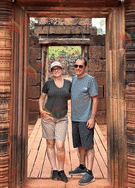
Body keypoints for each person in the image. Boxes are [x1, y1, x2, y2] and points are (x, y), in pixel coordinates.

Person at [39, 61, 72, 182]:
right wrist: (41, 110)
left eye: (58, 69)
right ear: (51, 72)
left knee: (60, 145)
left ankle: (61, 170)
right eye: (54, 69)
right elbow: (42, 98)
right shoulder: (48, 84)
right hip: (48, 117)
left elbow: (72, 96)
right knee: (50, 144)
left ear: (62, 70)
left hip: (62, 117)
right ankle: (54, 169)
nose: (56, 71)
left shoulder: (68, 84)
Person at [69, 57, 99, 186]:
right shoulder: (74, 79)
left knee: (88, 146)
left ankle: (90, 172)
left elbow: (95, 99)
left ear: (85, 67)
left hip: (86, 119)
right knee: (80, 145)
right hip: (75, 118)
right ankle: (82, 166)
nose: (77, 68)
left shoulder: (90, 80)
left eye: (80, 66)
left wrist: (92, 118)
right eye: (76, 66)